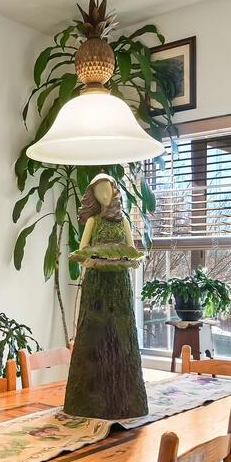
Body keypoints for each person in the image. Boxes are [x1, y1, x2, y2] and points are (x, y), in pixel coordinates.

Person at [63, 173, 148, 419]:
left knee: (122, 336)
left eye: (107, 190)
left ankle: (126, 399)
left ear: (114, 192)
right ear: (92, 195)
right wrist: (89, 262)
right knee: (93, 335)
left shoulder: (124, 222)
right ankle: (87, 400)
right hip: (96, 285)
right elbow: (82, 251)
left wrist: (132, 261)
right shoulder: (92, 221)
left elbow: (132, 251)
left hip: (120, 285)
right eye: (98, 192)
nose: (103, 195)